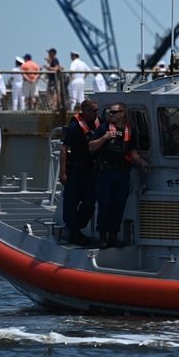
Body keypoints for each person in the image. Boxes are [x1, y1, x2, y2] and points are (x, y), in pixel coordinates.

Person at [90, 101, 150, 249]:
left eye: (114, 112)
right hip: (105, 173)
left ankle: (113, 236)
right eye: (110, 112)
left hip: (122, 173)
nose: (111, 114)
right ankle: (102, 237)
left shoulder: (130, 131)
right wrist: (105, 137)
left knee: (119, 205)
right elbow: (91, 148)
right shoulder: (103, 129)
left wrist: (142, 162)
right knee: (105, 204)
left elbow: (134, 154)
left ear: (123, 113)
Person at [59, 98, 100, 246]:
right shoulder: (74, 126)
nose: (97, 113)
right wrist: (63, 172)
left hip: (90, 170)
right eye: (94, 111)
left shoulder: (98, 123)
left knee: (89, 202)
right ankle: (72, 230)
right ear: (85, 111)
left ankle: (77, 227)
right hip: (76, 169)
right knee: (71, 200)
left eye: (97, 110)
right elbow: (64, 149)